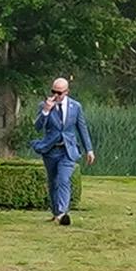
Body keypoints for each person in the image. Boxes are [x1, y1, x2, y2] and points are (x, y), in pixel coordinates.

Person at [29, 77, 95, 224]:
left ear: (66, 92)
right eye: (53, 92)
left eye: (59, 93)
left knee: (63, 179)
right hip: (50, 149)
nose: (56, 96)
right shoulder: (44, 105)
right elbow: (38, 127)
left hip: (68, 150)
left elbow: (82, 128)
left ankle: (63, 213)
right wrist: (46, 111)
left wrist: (89, 150)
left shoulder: (75, 107)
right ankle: (56, 212)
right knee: (53, 181)